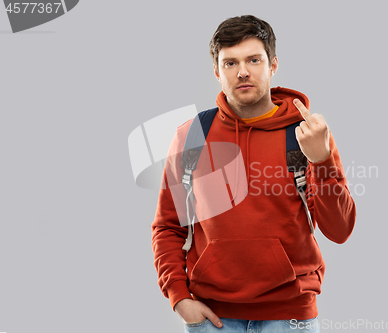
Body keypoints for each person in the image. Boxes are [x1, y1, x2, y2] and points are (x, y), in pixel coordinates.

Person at [151, 15, 356, 332]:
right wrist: (179, 297)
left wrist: (322, 159)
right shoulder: (193, 135)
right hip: (212, 319)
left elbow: (340, 230)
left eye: (253, 60)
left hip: (290, 319)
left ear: (273, 65)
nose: (242, 71)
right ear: (217, 72)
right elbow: (168, 225)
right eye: (230, 63)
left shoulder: (306, 134)